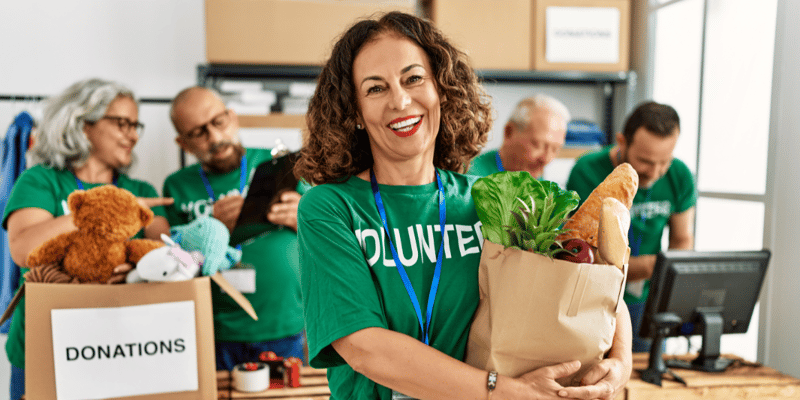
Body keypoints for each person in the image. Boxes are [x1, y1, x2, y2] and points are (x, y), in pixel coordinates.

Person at [295, 11, 632, 400]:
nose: (400, 100)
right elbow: (364, 348)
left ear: (441, 87)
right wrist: (501, 391)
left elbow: (590, 278)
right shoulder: (330, 208)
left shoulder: (494, 198)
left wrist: (621, 362)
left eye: (413, 78)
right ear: (354, 111)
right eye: (375, 88)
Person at [2, 78, 172, 400]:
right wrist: (103, 210)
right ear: (82, 123)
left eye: (136, 126)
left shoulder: (143, 192)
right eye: (122, 123)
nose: (133, 135)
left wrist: (137, 271)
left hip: (122, 347)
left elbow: (169, 255)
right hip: (43, 345)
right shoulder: (40, 180)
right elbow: (24, 251)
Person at [165, 86, 305, 370]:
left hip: (282, 322)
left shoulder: (280, 164)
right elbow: (169, 260)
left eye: (218, 122)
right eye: (198, 133)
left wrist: (303, 217)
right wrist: (210, 229)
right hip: (212, 329)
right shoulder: (176, 185)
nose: (215, 138)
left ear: (233, 117)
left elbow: (332, 234)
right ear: (183, 144)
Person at [566, 101, 696, 352]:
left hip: (649, 300)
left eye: (664, 161)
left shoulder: (680, 175)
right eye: (645, 161)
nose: (655, 172)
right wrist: (650, 266)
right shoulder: (586, 171)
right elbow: (580, 248)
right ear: (621, 142)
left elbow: (682, 238)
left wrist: (662, 273)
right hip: (593, 299)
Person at [468, 94, 570, 178]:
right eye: (538, 145)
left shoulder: (540, 184)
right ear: (509, 132)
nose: (546, 159)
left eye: (555, 149)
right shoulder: (469, 178)